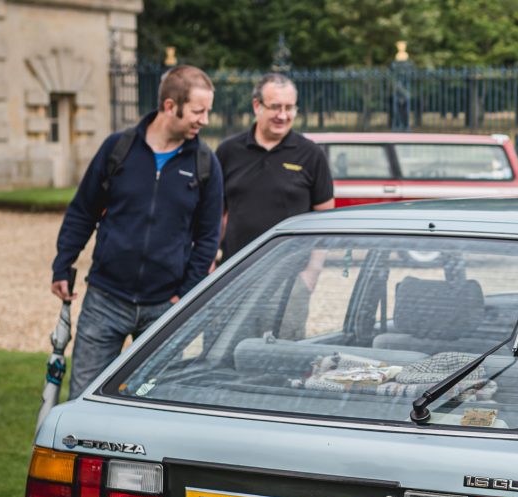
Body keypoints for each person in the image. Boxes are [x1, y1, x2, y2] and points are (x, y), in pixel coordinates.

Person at [51, 65, 223, 398]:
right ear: (170, 106)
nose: (204, 120)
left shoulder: (205, 163)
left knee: (152, 407)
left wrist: (183, 295)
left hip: (164, 308)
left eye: (207, 111)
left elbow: (207, 239)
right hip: (104, 301)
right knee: (83, 400)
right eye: (198, 111)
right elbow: (83, 211)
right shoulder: (118, 150)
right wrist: (63, 263)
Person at [215, 73, 334, 263]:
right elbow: (216, 215)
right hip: (235, 270)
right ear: (257, 106)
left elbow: (325, 221)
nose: (283, 115)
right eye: (276, 107)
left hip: (290, 272)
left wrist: (312, 272)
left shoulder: (311, 154)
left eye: (289, 108)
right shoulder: (228, 151)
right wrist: (211, 261)